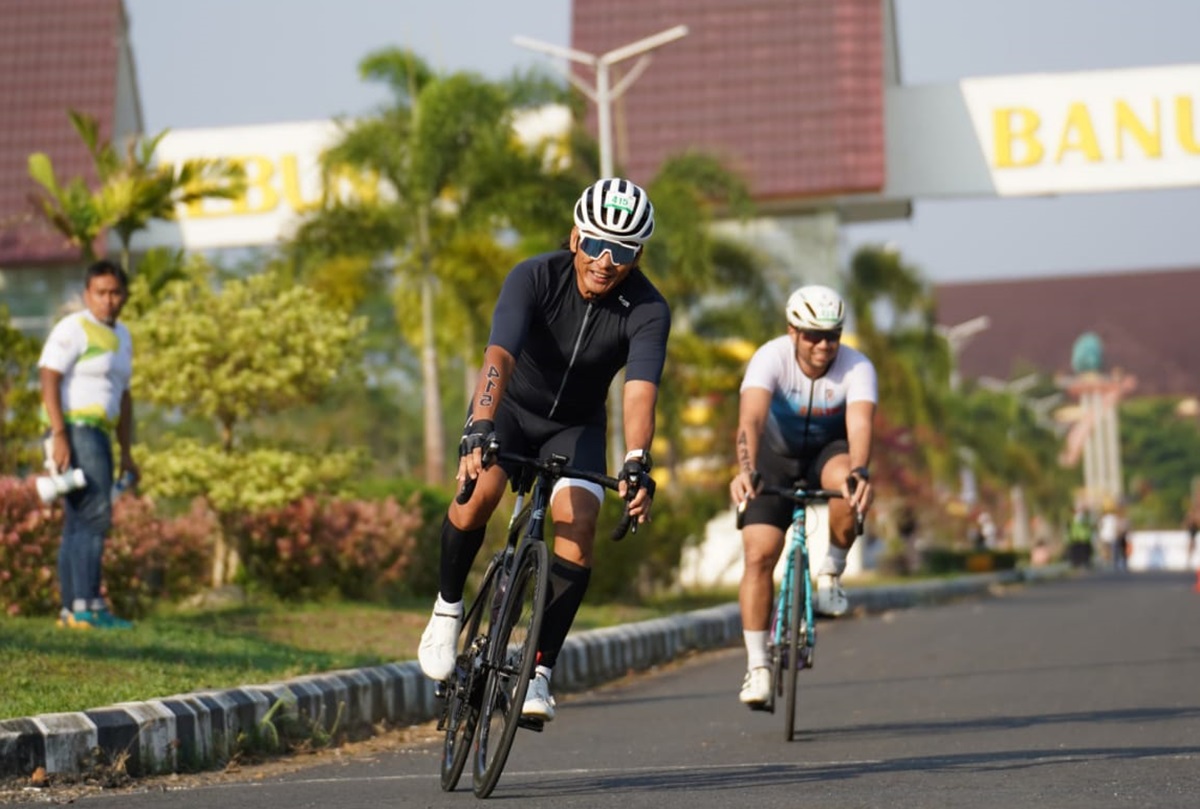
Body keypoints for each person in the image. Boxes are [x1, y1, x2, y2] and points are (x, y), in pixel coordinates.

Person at [417, 178, 669, 722]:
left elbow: (640, 389)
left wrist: (636, 460)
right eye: (598, 244)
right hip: (509, 411)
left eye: (622, 251)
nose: (606, 260)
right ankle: (446, 610)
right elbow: (499, 355)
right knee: (478, 494)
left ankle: (538, 672)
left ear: (638, 255)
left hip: (575, 426)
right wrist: (481, 422)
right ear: (576, 235)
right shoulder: (534, 275)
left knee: (577, 530)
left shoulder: (648, 308)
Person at [728, 284, 876, 708]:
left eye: (833, 335)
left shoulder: (857, 366)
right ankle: (757, 667)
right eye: (813, 335)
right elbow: (751, 419)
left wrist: (861, 471)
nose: (823, 345)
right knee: (759, 553)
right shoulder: (769, 357)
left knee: (848, 485)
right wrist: (746, 470)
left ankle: (830, 572)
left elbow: (861, 424)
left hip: (828, 455)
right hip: (774, 456)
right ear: (793, 332)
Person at [38, 259, 138, 630]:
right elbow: (48, 376)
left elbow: (124, 396)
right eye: (100, 293)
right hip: (76, 429)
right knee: (95, 516)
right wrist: (59, 434)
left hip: (101, 431)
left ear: (124, 296)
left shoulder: (123, 336)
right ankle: (88, 607)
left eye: (115, 293)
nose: (108, 300)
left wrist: (126, 451)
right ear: (87, 294)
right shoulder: (75, 327)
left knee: (80, 520)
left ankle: (72, 610)